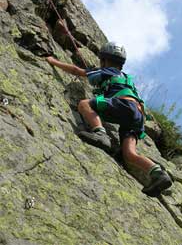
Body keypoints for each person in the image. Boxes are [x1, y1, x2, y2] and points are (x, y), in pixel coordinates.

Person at [46, 41, 172, 197]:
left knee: (84, 104)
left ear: (104, 60)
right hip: (138, 115)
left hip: (124, 105)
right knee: (129, 154)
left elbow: (76, 70)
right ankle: (159, 174)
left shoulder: (107, 71)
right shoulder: (126, 78)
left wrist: (53, 61)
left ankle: (100, 133)